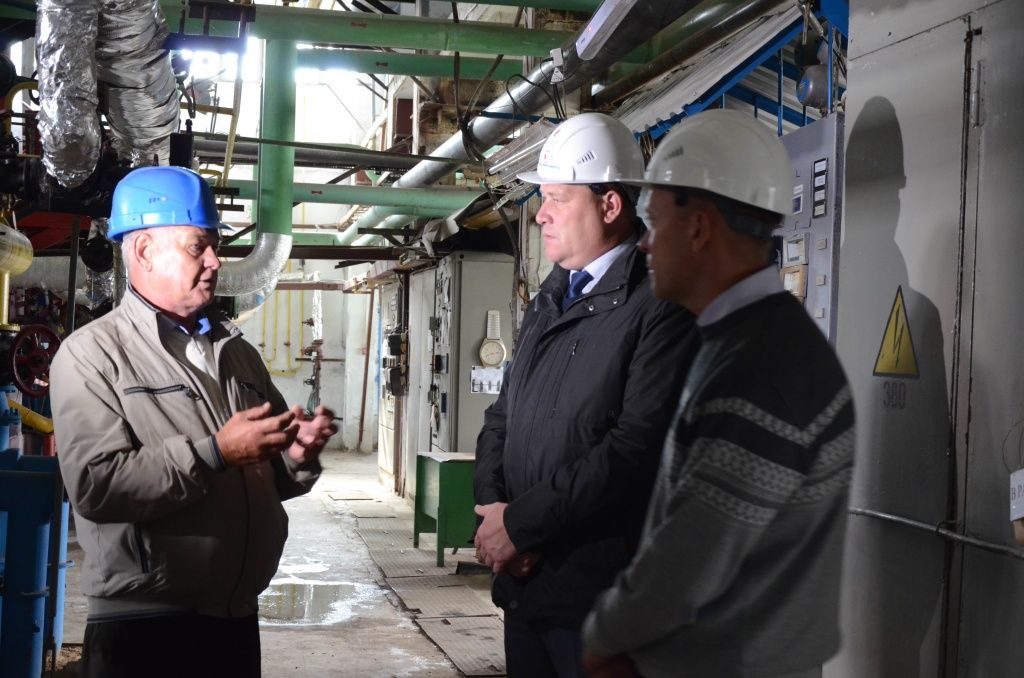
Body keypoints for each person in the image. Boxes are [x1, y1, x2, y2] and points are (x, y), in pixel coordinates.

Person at [580, 109, 855, 678]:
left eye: (654, 224)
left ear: (699, 228)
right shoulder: (743, 341)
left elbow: (686, 565)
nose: (644, 245)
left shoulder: (760, 369)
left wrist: (604, 635)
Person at [51, 165, 338, 678]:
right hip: (145, 629)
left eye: (215, 246)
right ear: (144, 251)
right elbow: (96, 486)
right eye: (197, 246)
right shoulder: (92, 354)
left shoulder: (236, 352)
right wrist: (215, 453)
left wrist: (297, 455)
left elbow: (272, 478)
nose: (215, 261)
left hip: (234, 619)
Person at [473, 112, 698, 677]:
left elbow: (633, 448)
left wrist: (521, 527)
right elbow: (502, 417)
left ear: (610, 205)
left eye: (556, 199)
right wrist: (494, 516)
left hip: (596, 603)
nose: (540, 214)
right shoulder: (549, 299)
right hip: (524, 589)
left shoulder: (660, 303)